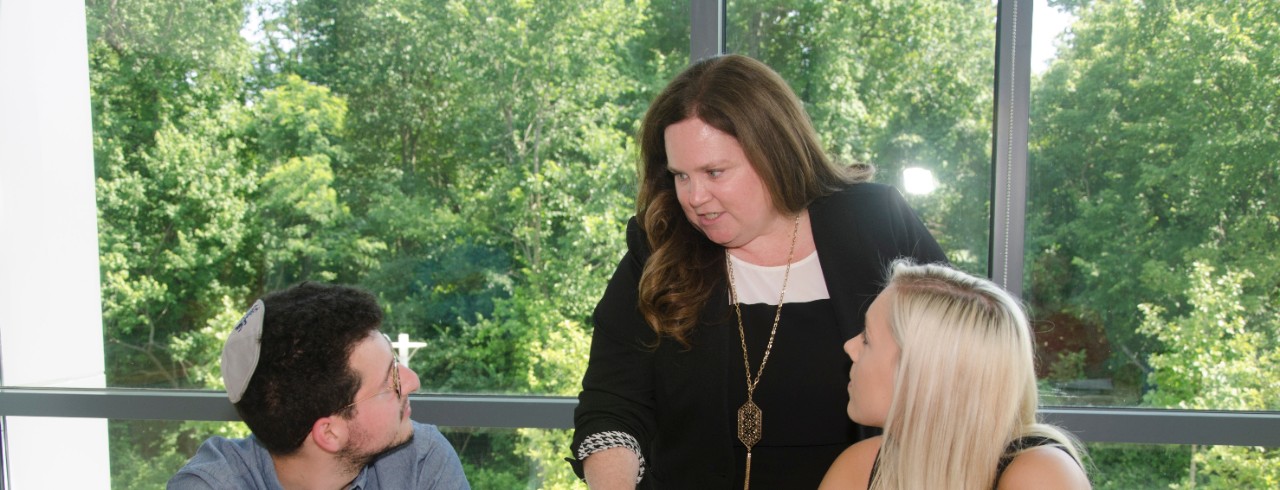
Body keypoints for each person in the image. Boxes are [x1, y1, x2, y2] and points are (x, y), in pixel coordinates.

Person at [568, 54, 947, 489]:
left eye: (714, 172)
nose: (694, 197)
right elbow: (611, 406)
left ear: (775, 153)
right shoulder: (658, 243)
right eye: (681, 176)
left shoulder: (873, 222)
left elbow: (968, 366)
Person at [168, 282, 471, 489]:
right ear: (329, 432)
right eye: (390, 381)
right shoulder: (212, 484)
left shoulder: (420, 461)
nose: (412, 382)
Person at [819, 261, 1091, 489]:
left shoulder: (1040, 473)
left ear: (919, 371)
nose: (850, 346)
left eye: (867, 338)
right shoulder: (859, 466)